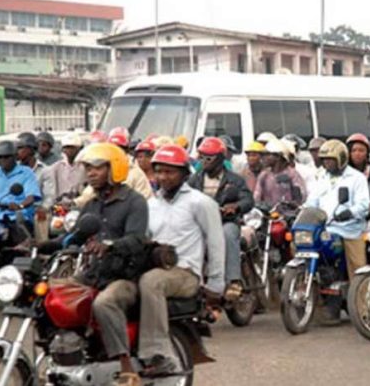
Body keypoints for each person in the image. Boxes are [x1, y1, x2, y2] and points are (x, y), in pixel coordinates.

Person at [137, 144, 225, 378]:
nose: (163, 177)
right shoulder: (151, 205)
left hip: (186, 273)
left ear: (185, 174)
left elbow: (216, 242)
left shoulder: (200, 202)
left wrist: (216, 285)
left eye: (170, 172)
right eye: (159, 171)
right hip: (157, 268)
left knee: (150, 282)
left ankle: (158, 353)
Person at [68, 142, 150, 386]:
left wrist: (110, 245)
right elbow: (74, 236)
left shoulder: (134, 202)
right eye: (88, 169)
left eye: (97, 168)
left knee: (104, 302)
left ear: (114, 168)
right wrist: (41, 244)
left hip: (125, 277)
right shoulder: (92, 204)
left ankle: (126, 365)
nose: (91, 173)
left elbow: (138, 239)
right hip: (95, 273)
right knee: (54, 293)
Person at [189, 137, 254, 301]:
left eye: (209, 158)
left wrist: (236, 207)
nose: (204, 161)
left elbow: (248, 200)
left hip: (226, 222)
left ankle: (233, 281)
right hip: (201, 225)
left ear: (220, 158)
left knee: (227, 234)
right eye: (201, 157)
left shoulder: (235, 180)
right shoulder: (194, 180)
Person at [305, 139, 369, 281]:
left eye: (330, 160)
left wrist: (350, 213)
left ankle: (361, 302)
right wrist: (304, 211)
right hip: (324, 229)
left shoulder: (357, 178)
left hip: (348, 230)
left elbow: (364, 205)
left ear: (341, 158)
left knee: (358, 269)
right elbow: (312, 201)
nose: (326, 163)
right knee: (301, 248)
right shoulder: (321, 177)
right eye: (324, 160)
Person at [0, 141, 41, 242]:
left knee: (22, 243)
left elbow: (31, 196)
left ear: (15, 157)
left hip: (18, 219)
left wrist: (20, 206)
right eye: (0, 157)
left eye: (7, 157)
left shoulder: (26, 172)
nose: (3, 160)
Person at [74, 130, 153, 207]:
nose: (115, 152)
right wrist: (73, 203)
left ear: (126, 150)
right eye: (112, 148)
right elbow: (88, 195)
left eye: (119, 148)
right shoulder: (104, 170)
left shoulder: (136, 173)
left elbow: (145, 200)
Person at [253, 138, 306, 207]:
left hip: (288, 214)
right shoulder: (264, 175)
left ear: (278, 157)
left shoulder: (292, 174)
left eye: (267, 154)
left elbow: (300, 197)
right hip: (268, 213)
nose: (264, 158)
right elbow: (256, 197)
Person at [41, 133, 85, 209]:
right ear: (63, 149)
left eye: (72, 148)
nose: (69, 150)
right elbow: (51, 191)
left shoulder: (85, 167)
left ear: (79, 149)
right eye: (66, 147)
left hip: (80, 207)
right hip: (60, 208)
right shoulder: (55, 168)